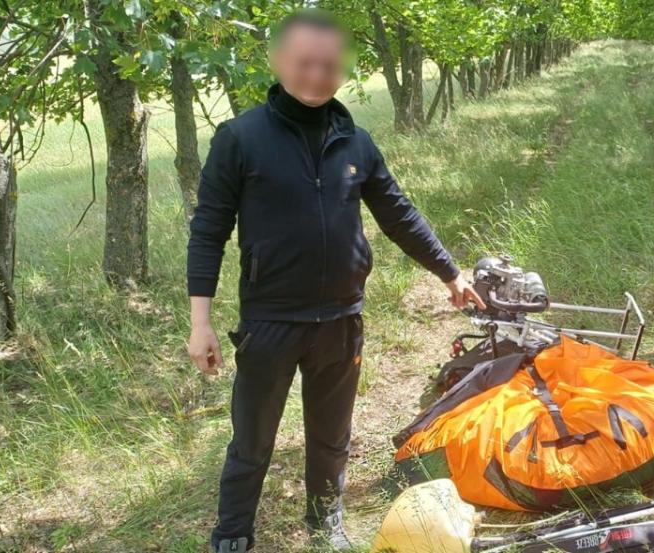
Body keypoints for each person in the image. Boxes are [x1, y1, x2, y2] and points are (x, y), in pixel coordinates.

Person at [185, 9, 484, 552]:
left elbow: (399, 216)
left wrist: (450, 273)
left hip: (341, 321)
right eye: (305, 63)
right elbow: (208, 230)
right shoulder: (240, 139)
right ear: (279, 61)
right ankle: (232, 534)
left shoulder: (356, 142)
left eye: (329, 64)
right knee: (252, 441)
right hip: (270, 323)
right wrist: (200, 323)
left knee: (331, 438)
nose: (317, 75)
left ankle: (325, 525)